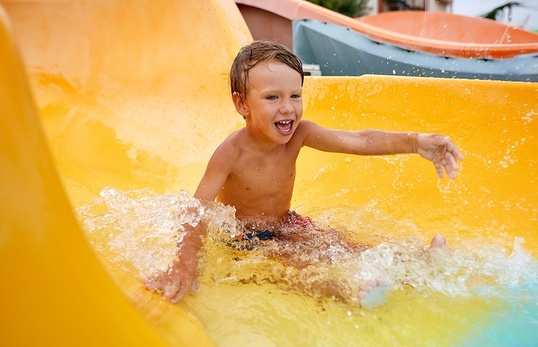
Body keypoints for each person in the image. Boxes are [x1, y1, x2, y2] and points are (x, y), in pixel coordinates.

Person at [145, 40, 464, 304]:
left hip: (287, 222)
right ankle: (349, 294)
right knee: (296, 272)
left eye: (295, 96)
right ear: (242, 104)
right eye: (273, 97)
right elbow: (197, 209)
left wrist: (415, 142)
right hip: (247, 239)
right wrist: (184, 265)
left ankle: (420, 263)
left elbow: (357, 140)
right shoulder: (231, 153)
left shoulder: (300, 133)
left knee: (342, 246)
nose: (288, 108)